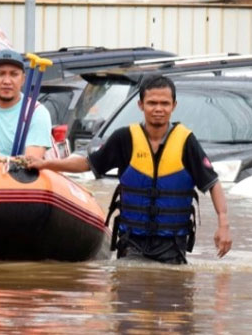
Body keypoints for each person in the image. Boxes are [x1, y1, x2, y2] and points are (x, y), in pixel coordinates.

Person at [27, 75, 232, 264]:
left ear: (174, 106)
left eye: (164, 103)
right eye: (152, 103)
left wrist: (223, 224)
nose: (158, 108)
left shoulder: (186, 141)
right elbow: (87, 164)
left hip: (172, 246)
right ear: (141, 105)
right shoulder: (124, 138)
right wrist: (46, 164)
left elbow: (212, 183)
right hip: (131, 242)